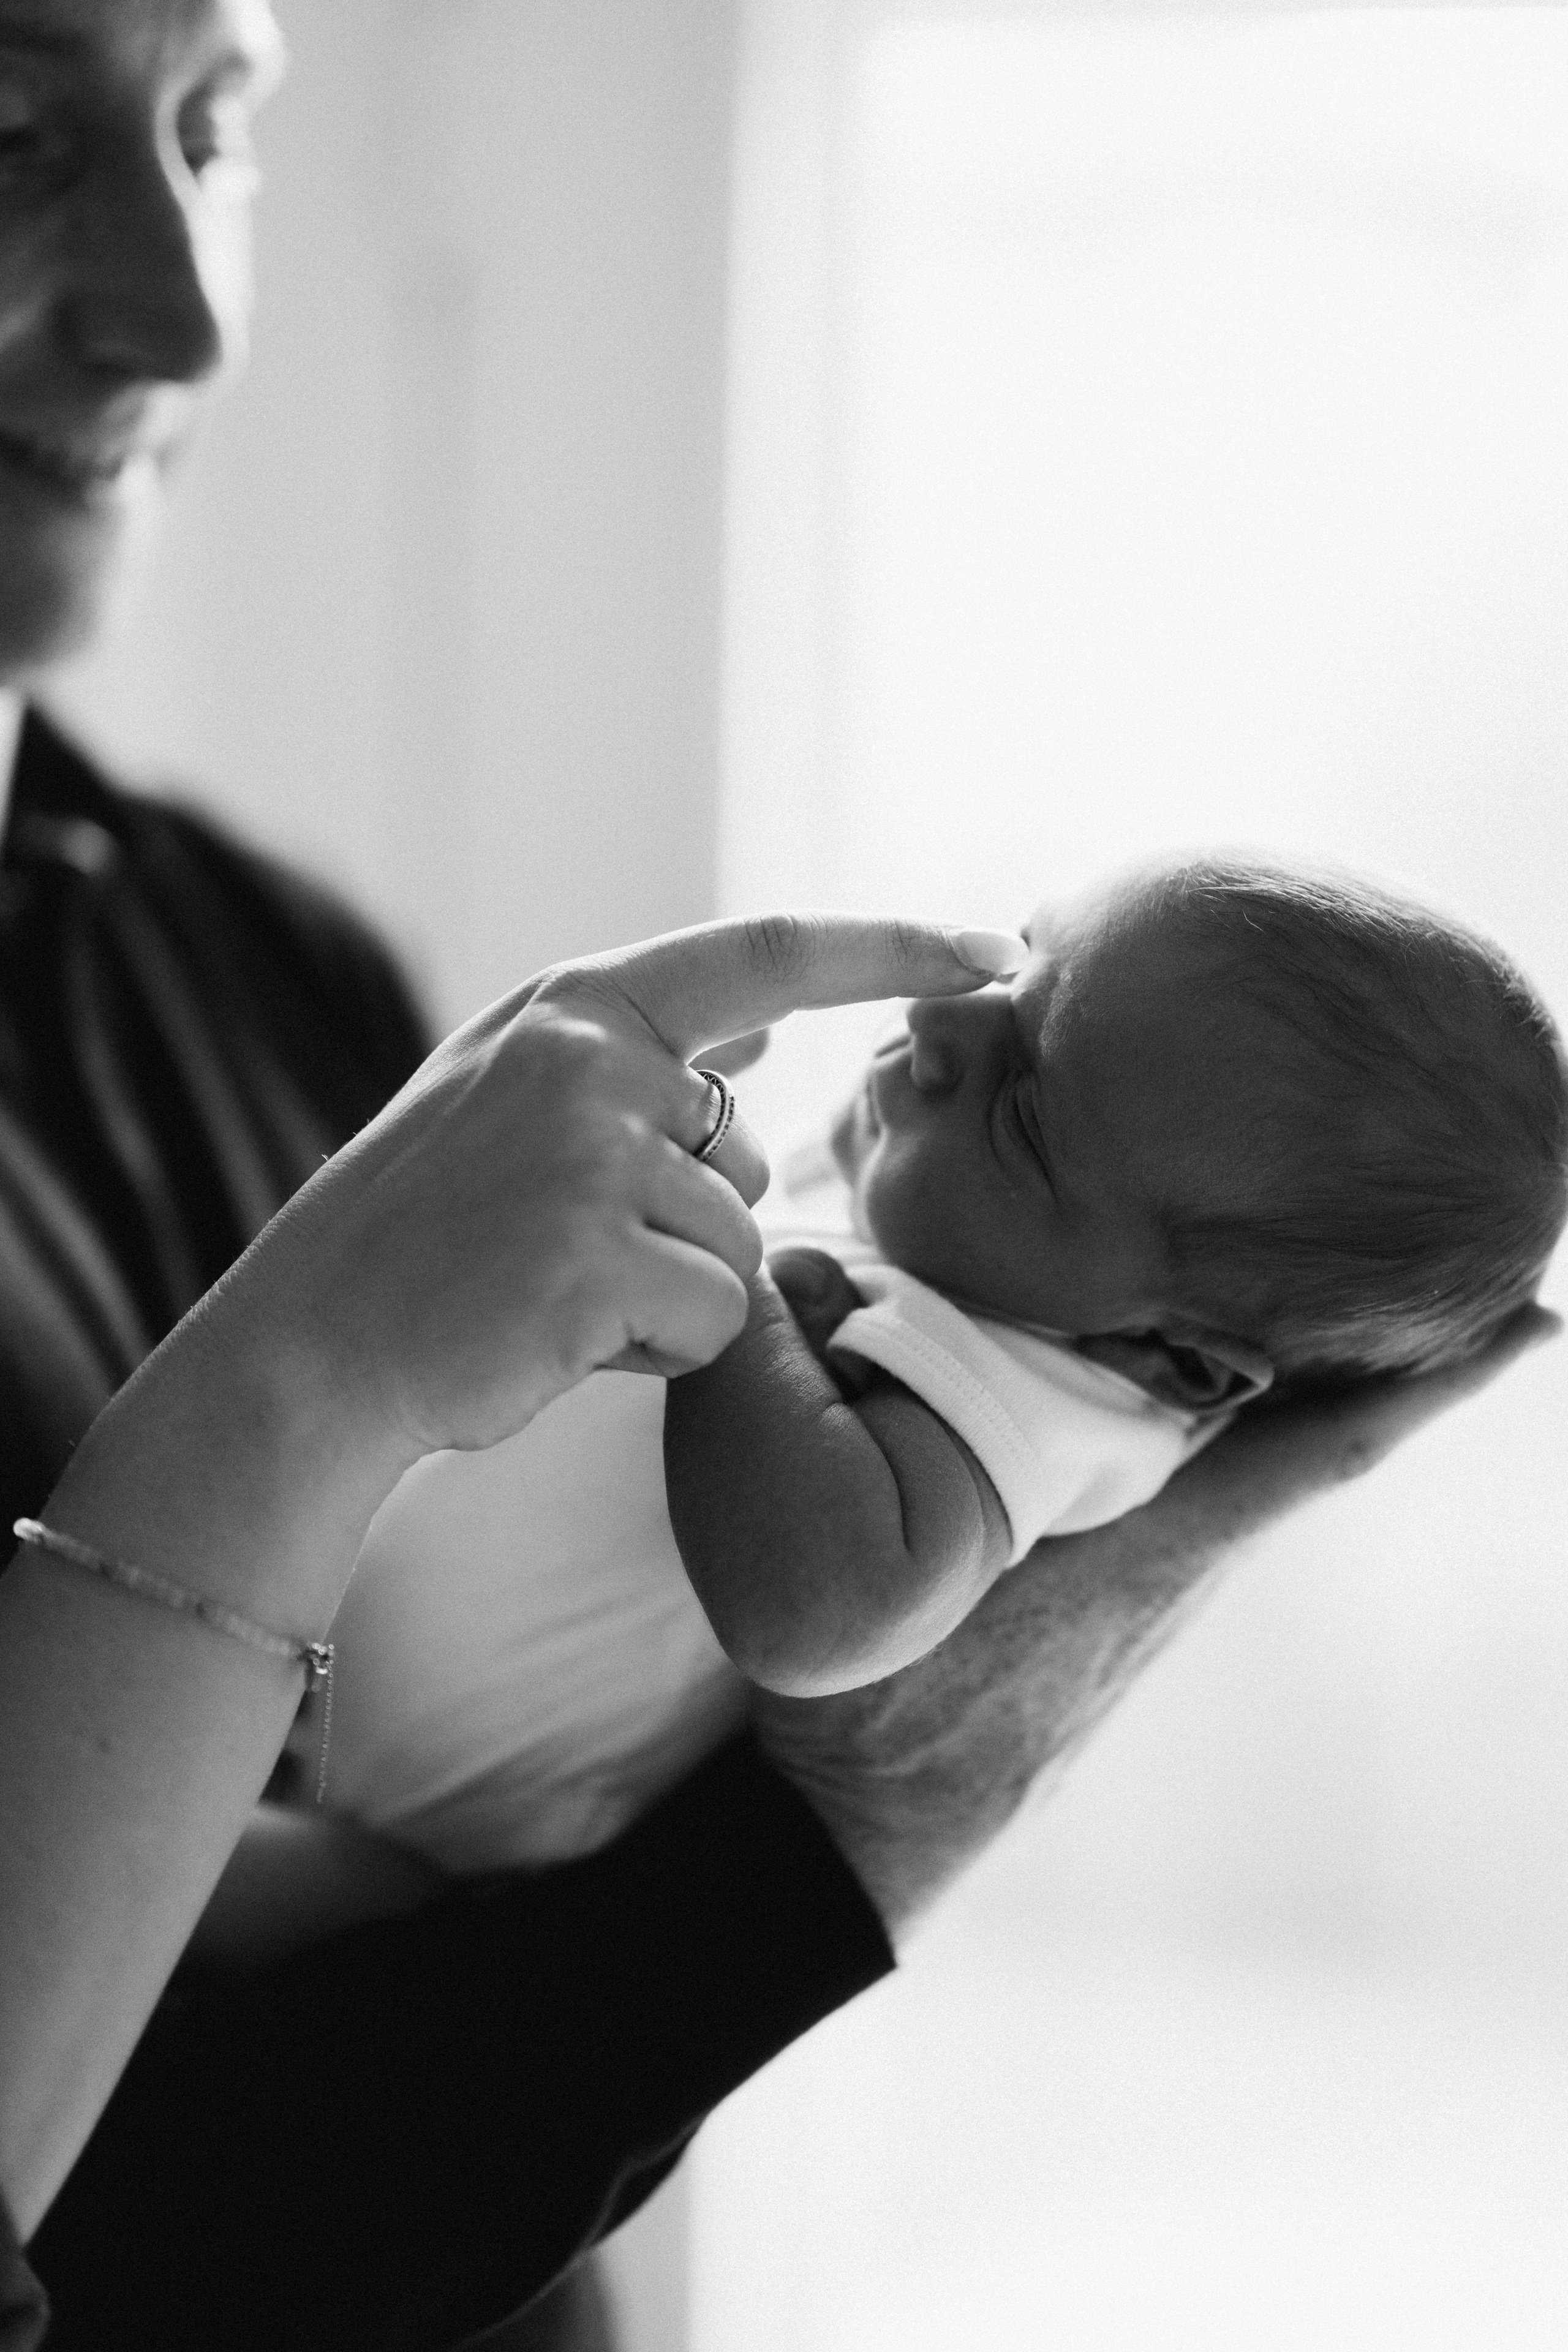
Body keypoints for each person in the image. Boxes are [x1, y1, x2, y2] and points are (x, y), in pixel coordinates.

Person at [0, 6, 1553, 2348]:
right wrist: (869, 1815)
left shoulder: (263, 962)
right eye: (12, 133)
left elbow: (418, 2134)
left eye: (218, 127)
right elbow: (178, 2222)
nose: (187, 313)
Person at [323, 852, 1565, 1879]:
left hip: (441, 1843)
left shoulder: (1034, 1393)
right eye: (1019, 969)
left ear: (1172, 1358)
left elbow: (821, 1616)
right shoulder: (948, 1235)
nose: (935, 1025)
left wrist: (738, 1291)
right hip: (316, 1681)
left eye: (1022, 1112)